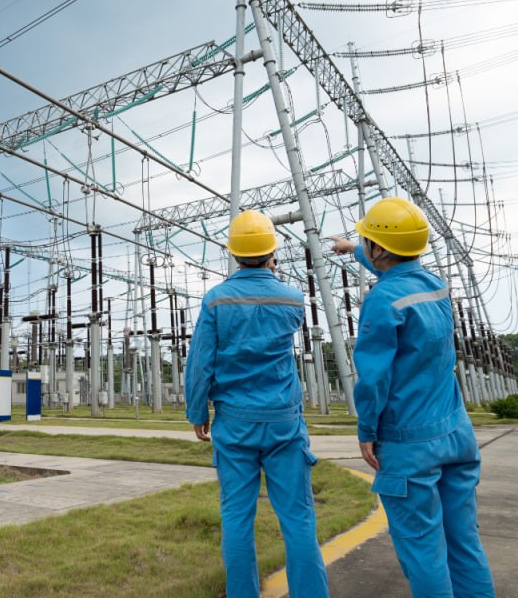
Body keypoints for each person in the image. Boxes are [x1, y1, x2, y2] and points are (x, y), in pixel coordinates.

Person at [330, 197, 495, 598]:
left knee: (423, 552)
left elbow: (373, 378)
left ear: (381, 248)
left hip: (409, 444)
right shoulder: (435, 287)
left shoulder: (383, 301)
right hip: (456, 434)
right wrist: (353, 250)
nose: (364, 243)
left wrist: (366, 429)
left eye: (366, 239)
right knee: (464, 544)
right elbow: (399, 271)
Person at [187, 210, 328, 598]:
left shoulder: (215, 301)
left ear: (232, 253)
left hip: (234, 423)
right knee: (298, 518)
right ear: (272, 253)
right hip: (283, 420)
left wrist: (197, 412)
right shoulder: (293, 300)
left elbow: (201, 362)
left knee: (236, 517)